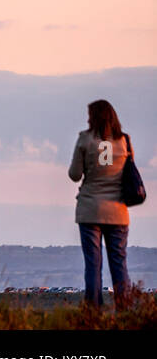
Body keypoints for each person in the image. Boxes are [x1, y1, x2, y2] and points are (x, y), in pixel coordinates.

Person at [67, 99, 131, 306]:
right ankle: (125, 309)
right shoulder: (125, 141)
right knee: (119, 263)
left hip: (90, 209)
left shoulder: (85, 140)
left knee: (93, 264)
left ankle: (93, 311)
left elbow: (75, 174)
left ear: (94, 117)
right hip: (117, 211)